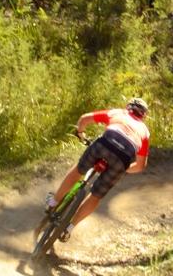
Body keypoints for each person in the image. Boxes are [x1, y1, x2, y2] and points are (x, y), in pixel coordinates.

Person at [43, 98, 150, 241]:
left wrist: (81, 134)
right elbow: (140, 166)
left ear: (128, 107)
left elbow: (84, 119)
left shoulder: (118, 113)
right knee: (96, 195)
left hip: (105, 143)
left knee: (78, 171)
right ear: (143, 116)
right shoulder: (144, 131)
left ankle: (53, 202)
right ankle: (69, 229)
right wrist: (121, 169)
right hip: (123, 158)